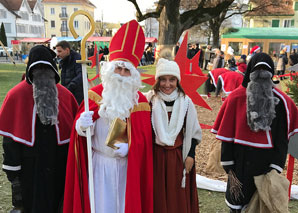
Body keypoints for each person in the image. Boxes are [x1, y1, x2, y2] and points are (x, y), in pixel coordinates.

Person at [63, 20, 153, 213]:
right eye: (117, 69)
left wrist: (131, 147)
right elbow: (80, 139)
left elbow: (145, 142)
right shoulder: (94, 95)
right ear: (110, 70)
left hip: (127, 168)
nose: (121, 74)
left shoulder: (141, 102)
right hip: (99, 166)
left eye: (126, 70)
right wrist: (82, 126)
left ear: (134, 74)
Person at [211, 53, 298, 212]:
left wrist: (275, 167)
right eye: (258, 71)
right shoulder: (236, 98)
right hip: (238, 164)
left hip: (265, 166)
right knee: (236, 205)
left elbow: (281, 140)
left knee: (261, 207)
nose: (262, 76)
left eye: (266, 71)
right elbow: (227, 136)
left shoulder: (281, 102)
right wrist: (228, 165)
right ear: (250, 71)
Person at [0, 45, 78, 212]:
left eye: (46, 68)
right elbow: (10, 142)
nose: (42, 73)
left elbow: (74, 139)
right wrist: (14, 180)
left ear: (54, 70)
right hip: (30, 169)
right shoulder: (16, 95)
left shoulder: (65, 96)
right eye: (38, 68)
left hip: (59, 166)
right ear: (30, 70)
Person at [144, 57, 202, 213]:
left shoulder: (186, 102)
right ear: (157, 81)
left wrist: (191, 156)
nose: (167, 84)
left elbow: (194, 133)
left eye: (172, 79)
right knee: (158, 196)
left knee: (177, 197)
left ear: (177, 81)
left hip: (178, 157)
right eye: (163, 79)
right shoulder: (149, 101)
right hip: (155, 157)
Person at [56, 40, 84, 104]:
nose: (58, 54)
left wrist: (70, 86)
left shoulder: (77, 58)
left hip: (77, 95)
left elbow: (81, 75)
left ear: (67, 50)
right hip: (68, 93)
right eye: (57, 51)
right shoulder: (64, 60)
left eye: (60, 51)